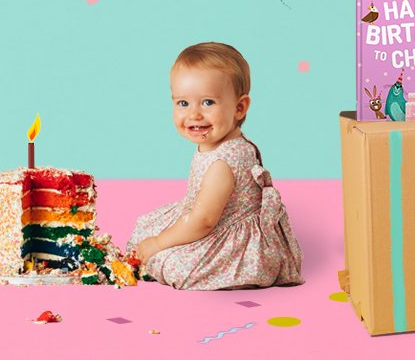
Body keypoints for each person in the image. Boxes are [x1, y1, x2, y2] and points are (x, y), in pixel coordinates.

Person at [125, 42, 304, 290]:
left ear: (239, 108)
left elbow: (204, 220)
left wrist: (159, 243)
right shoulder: (218, 142)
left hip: (224, 230)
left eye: (208, 102)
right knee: (143, 230)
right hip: (206, 216)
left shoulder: (224, 161)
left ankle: (237, 273)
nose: (194, 115)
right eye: (183, 103)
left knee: (170, 262)